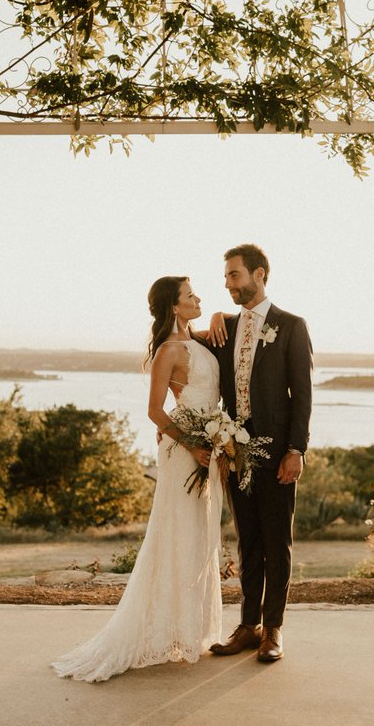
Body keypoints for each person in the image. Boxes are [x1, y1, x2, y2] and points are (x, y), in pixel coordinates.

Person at [52, 276, 224, 683]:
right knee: (177, 533)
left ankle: (190, 630)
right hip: (185, 451)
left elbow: (224, 326)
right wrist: (194, 445)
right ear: (173, 307)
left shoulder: (196, 340)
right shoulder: (168, 350)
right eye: (190, 295)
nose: (198, 298)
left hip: (207, 444)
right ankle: (167, 630)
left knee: (199, 535)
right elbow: (156, 411)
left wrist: (217, 313)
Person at [207, 243, 313, 663]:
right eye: (227, 276)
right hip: (235, 452)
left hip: (276, 455)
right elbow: (186, 344)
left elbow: (302, 395)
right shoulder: (226, 328)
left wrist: (296, 450)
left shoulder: (291, 326)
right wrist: (216, 317)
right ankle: (247, 625)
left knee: (277, 543)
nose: (228, 283)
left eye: (234, 275)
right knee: (247, 542)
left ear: (259, 274)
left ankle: (273, 630)